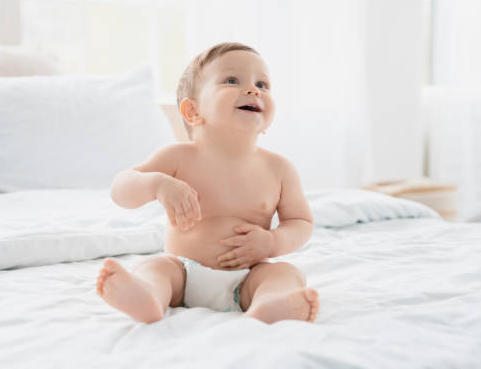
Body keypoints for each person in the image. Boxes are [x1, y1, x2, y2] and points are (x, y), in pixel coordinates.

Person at [96, 42, 320, 324]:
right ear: (193, 111)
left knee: (284, 273)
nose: (254, 89)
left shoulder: (280, 169)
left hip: (248, 277)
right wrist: (156, 184)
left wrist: (273, 242)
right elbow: (121, 189)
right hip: (184, 272)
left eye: (262, 83)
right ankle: (148, 296)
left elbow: (300, 222)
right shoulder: (177, 156)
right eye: (231, 80)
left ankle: (269, 306)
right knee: (155, 267)